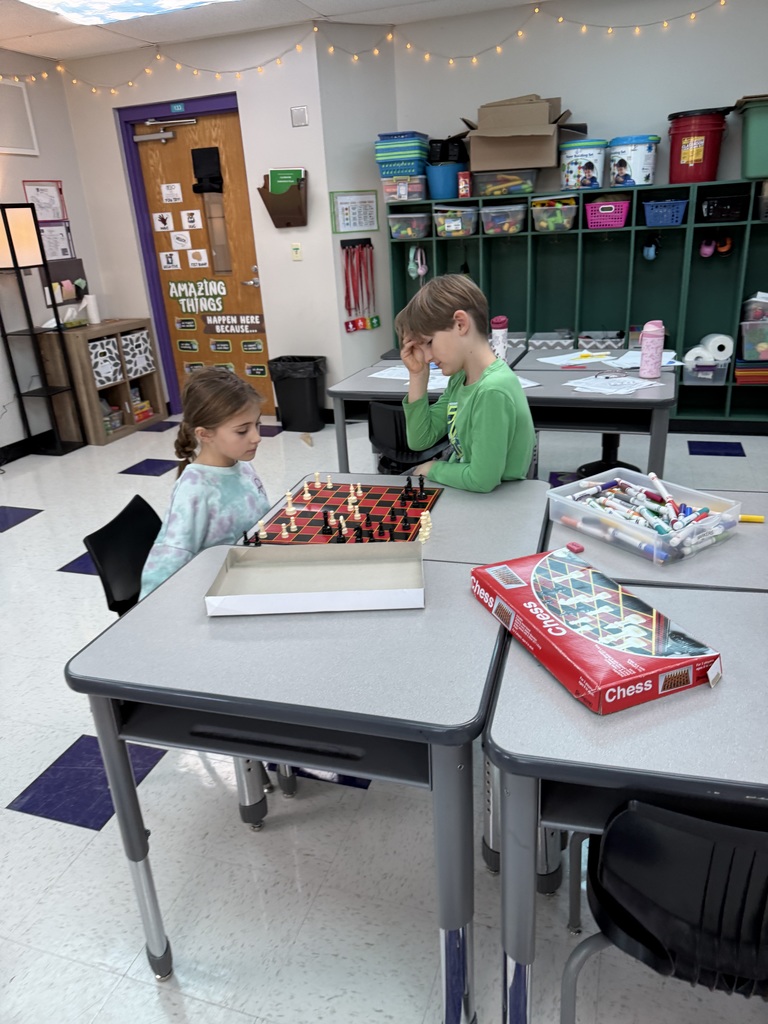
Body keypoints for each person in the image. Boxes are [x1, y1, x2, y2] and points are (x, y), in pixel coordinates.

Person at [397, 274, 535, 493]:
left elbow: (482, 480)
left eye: (429, 343)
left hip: (496, 505)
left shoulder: (492, 390)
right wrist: (418, 375)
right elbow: (420, 440)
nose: (426, 357)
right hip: (465, 490)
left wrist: (433, 468)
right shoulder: (460, 379)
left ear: (460, 324)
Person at [140, 367, 269, 598]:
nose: (256, 437)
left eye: (256, 425)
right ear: (205, 434)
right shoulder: (194, 490)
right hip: (218, 590)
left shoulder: (242, 465)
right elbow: (167, 562)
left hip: (250, 574)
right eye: (242, 431)